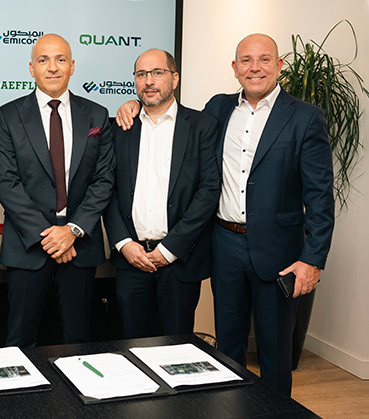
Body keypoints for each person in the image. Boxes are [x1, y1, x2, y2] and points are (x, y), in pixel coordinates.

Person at [115, 33, 334, 396]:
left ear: (279, 65)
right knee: (227, 347)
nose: (254, 68)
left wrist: (313, 259)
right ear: (234, 68)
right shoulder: (217, 109)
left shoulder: (305, 117)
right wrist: (131, 104)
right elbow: (167, 115)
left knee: (274, 348)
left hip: (278, 251)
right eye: (246, 60)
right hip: (224, 245)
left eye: (264, 59)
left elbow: (320, 195)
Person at [0, 33, 115, 347]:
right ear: (31, 68)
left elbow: (103, 180)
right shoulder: (8, 115)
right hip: (29, 245)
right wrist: (50, 236)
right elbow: (6, 182)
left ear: (72, 66)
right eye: (43, 60)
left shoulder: (97, 115)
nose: (52, 67)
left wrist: (72, 230)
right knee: (21, 342)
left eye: (60, 59)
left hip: (80, 245)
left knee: (78, 341)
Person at [102, 49, 219, 340]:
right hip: (131, 259)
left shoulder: (202, 127)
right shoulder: (120, 128)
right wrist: (123, 244)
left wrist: (169, 250)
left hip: (179, 261)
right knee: (133, 345)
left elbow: (208, 192)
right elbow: (107, 189)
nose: (149, 81)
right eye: (141, 74)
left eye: (157, 72)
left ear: (174, 78)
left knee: (176, 349)